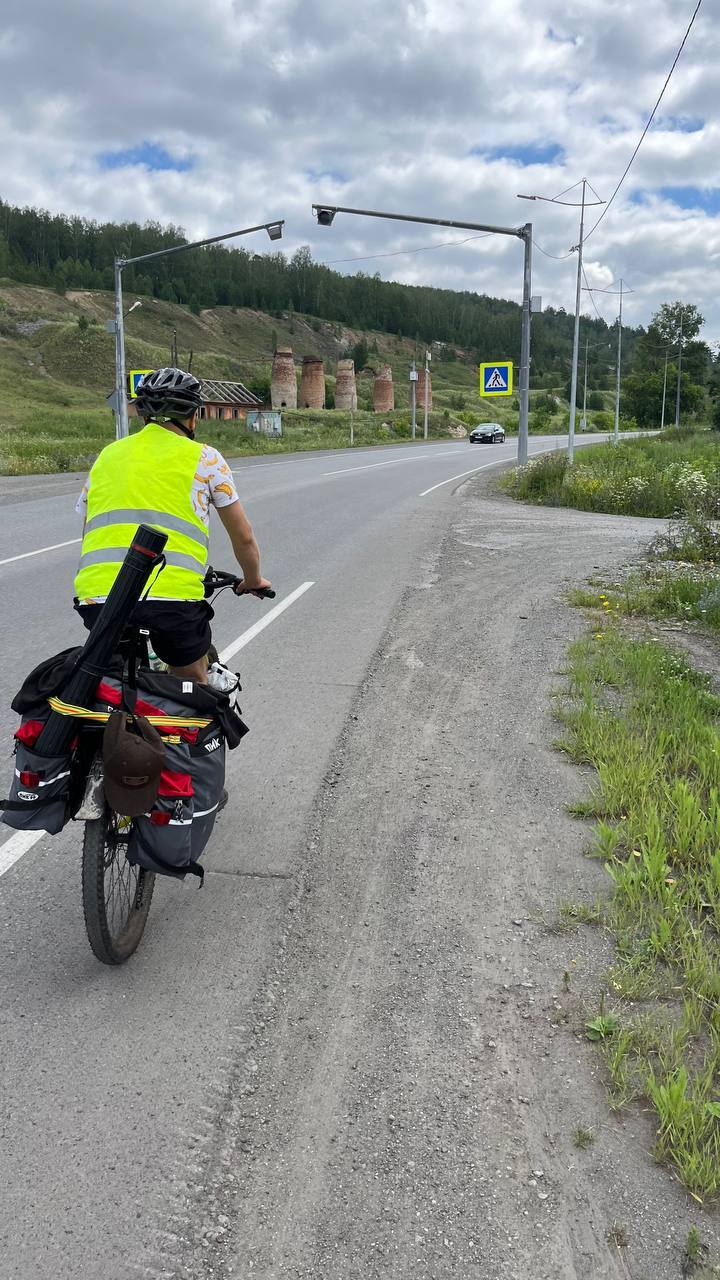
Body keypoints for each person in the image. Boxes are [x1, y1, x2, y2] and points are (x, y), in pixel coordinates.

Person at [73, 367, 271, 684]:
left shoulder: (107, 456)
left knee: (109, 684)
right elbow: (243, 538)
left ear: (143, 414)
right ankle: (189, 723)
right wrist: (253, 579)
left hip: (98, 600)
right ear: (193, 416)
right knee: (192, 686)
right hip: (171, 602)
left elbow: (89, 528)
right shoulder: (205, 459)